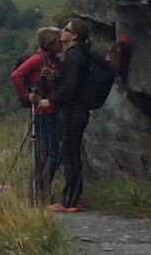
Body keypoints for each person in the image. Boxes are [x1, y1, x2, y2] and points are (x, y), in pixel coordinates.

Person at [48, 17, 116, 214]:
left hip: (72, 111)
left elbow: (69, 86)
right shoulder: (83, 54)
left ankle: (68, 201)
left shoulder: (73, 56)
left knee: (68, 153)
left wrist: (51, 100)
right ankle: (74, 198)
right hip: (80, 110)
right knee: (73, 152)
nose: (62, 31)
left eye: (66, 29)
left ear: (74, 35)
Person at [11, 27, 64, 201]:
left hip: (52, 110)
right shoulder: (37, 59)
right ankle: (41, 190)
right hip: (43, 112)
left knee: (48, 153)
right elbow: (16, 75)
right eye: (58, 41)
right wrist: (26, 97)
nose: (62, 43)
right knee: (52, 153)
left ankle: (39, 191)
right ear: (51, 43)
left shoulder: (53, 59)